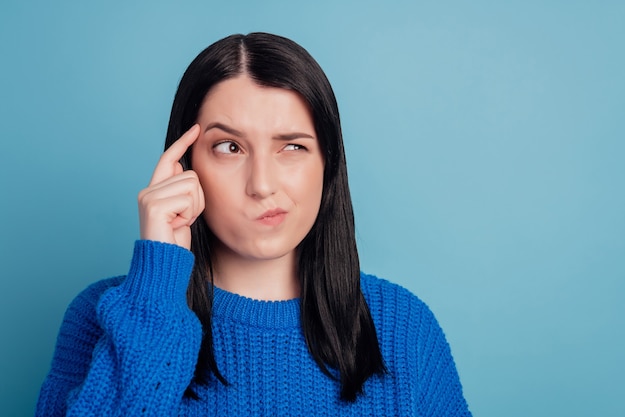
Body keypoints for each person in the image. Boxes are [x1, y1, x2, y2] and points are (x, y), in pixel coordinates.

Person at [36, 32, 472, 416]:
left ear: (329, 164)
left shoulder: (403, 326)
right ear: (184, 166)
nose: (262, 185)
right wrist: (156, 290)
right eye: (229, 147)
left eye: (292, 147)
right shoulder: (102, 316)